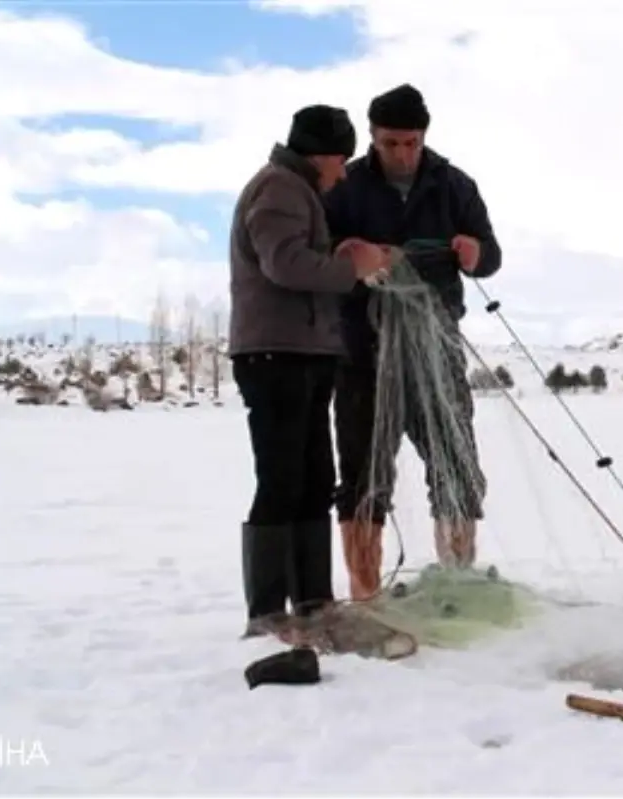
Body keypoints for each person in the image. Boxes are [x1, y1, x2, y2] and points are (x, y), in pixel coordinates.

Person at [322, 83, 503, 601]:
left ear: (424, 137)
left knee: (455, 461)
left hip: (437, 350)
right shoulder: (347, 187)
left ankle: (459, 579)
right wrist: (350, 251)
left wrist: (474, 253)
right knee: (362, 473)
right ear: (373, 139)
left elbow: (489, 254)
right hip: (364, 352)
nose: (402, 153)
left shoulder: (454, 185)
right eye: (390, 143)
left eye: (411, 142)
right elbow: (324, 249)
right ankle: (365, 594)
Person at [228, 104, 391, 636]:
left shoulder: (297, 192)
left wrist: (335, 252)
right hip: (275, 355)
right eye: (341, 160)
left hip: (306, 353)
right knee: (281, 477)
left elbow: (298, 254)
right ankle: (269, 611)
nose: (343, 173)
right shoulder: (279, 188)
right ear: (320, 155)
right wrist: (352, 268)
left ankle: (315, 600)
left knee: (315, 478)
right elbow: (285, 264)